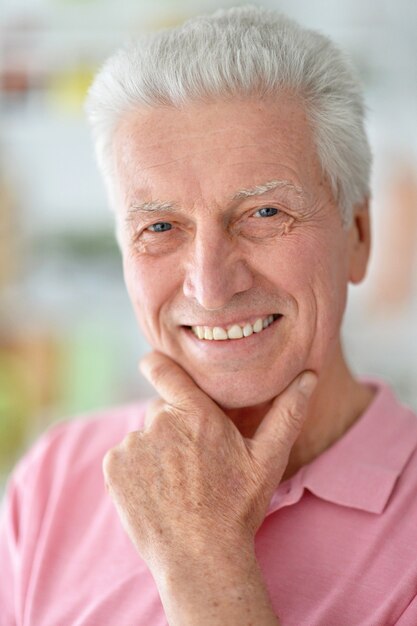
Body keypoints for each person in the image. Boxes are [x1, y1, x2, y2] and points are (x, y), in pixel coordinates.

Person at [1, 6, 417, 625]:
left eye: (265, 214)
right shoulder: (58, 475)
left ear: (358, 235)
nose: (212, 286)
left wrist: (203, 562)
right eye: (160, 227)